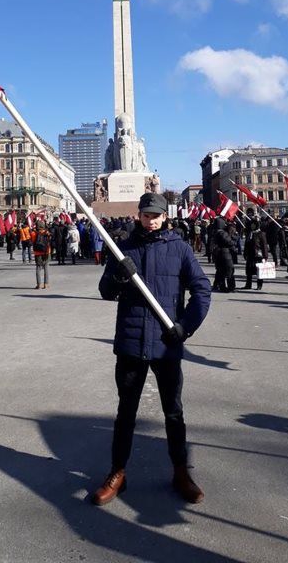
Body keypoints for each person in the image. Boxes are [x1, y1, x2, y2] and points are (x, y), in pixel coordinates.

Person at [92, 193, 211, 506]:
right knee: (125, 412)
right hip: (131, 342)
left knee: (173, 411)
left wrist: (185, 326)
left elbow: (202, 290)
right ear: (139, 216)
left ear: (165, 216)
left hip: (165, 343)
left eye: (156, 215)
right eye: (146, 215)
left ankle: (180, 471)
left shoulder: (180, 248)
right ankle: (118, 473)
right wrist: (118, 274)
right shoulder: (123, 248)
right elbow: (105, 292)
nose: (151, 221)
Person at [242, 218, 268, 290]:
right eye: (251, 225)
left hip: (258, 255)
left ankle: (259, 285)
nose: (252, 226)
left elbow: (264, 246)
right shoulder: (250, 233)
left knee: (259, 271)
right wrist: (245, 253)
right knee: (249, 271)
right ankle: (248, 285)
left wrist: (265, 257)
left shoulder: (261, 234)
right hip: (250, 254)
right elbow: (246, 244)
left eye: (253, 225)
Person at [31, 221, 51, 289]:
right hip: (46, 252)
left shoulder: (34, 233)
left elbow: (32, 241)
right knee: (46, 268)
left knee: (38, 268)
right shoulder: (47, 233)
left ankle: (39, 284)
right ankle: (46, 284)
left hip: (37, 253)